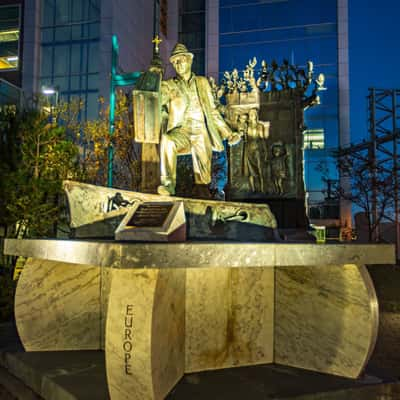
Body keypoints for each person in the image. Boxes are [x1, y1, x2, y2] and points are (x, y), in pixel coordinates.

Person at [157, 43, 241, 196]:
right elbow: (157, 100)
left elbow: (213, 112)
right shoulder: (168, 85)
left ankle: (203, 191)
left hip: (200, 131)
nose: (177, 64)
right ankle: (168, 184)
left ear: (189, 60)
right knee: (167, 140)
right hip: (181, 131)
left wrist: (228, 134)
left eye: (180, 60)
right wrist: (153, 82)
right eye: (174, 62)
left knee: (203, 181)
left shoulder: (202, 83)